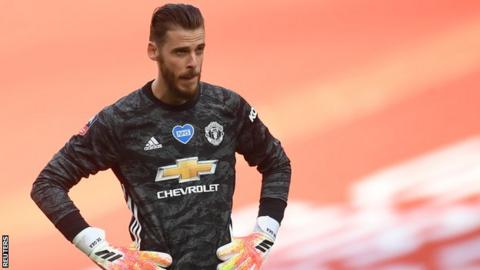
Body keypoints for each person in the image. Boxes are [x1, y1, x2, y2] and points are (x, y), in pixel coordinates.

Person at [30, 3, 291, 270]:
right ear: (153, 51)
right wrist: (98, 249)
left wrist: (265, 233)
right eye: (180, 52)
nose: (193, 63)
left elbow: (276, 162)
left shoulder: (228, 107)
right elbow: (47, 184)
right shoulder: (122, 120)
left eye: (199, 50)